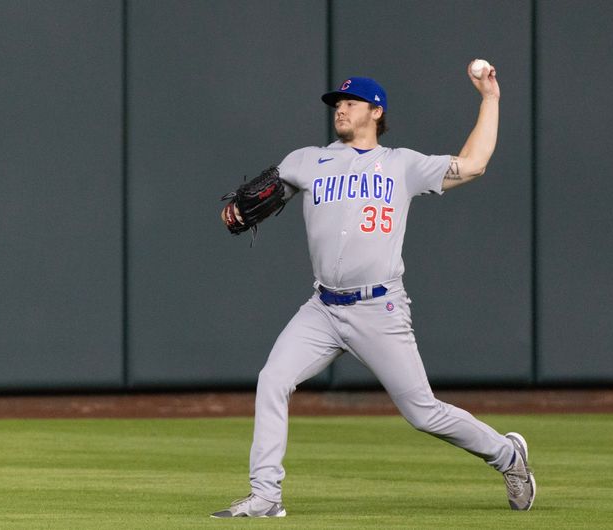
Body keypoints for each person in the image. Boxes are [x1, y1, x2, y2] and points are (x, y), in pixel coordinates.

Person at [212, 61, 535, 518]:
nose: (340, 109)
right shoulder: (305, 160)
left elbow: (476, 164)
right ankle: (266, 495)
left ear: (376, 111)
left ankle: (507, 455)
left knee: (423, 412)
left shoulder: (402, 165)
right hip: (321, 309)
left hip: (378, 308)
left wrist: (490, 98)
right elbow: (263, 197)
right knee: (272, 380)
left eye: (350, 103)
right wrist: (243, 210)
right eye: (337, 103)